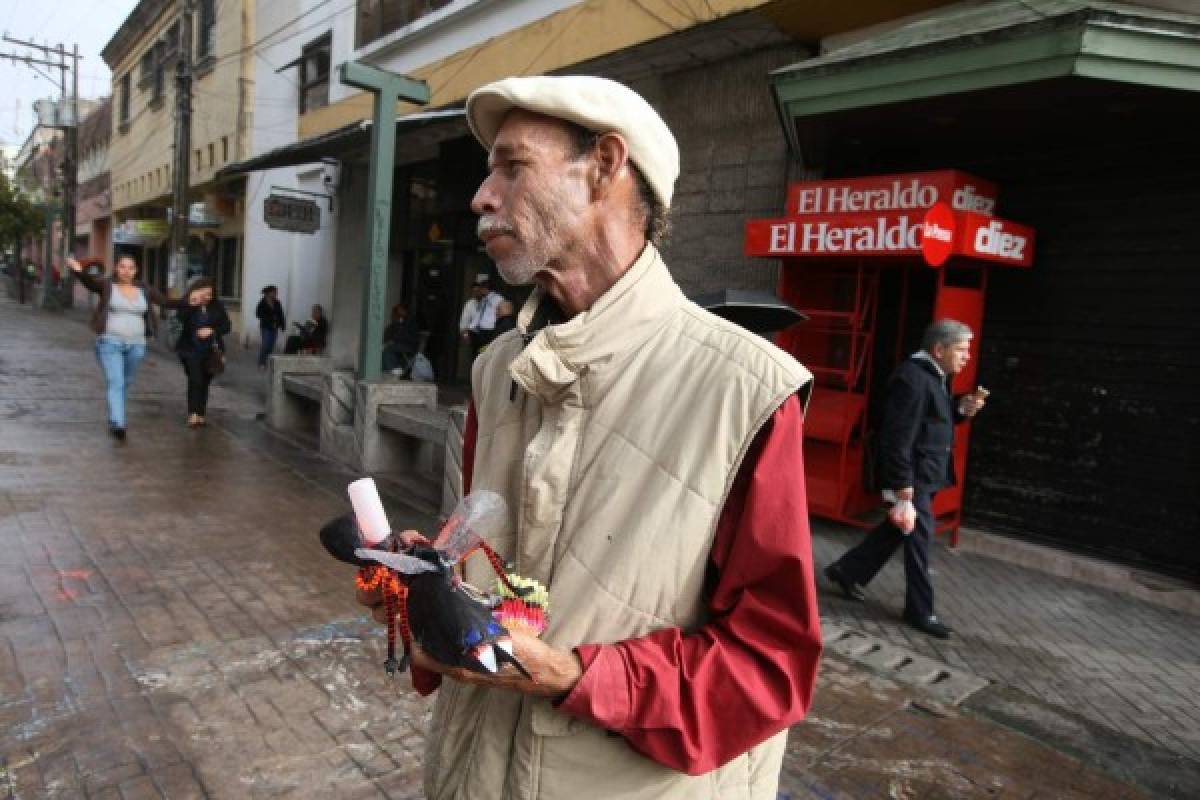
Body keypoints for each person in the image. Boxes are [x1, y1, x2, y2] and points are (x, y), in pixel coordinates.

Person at [356, 75, 821, 800]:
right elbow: (494, 577)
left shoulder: (747, 390)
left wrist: (572, 674)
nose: (482, 196)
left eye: (512, 166)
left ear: (604, 165)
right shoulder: (495, 370)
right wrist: (428, 585)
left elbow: (768, 669)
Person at [824, 319, 987, 639]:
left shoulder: (937, 376)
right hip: (914, 480)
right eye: (961, 350)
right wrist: (903, 490)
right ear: (939, 349)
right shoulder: (913, 379)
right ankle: (920, 610)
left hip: (925, 476)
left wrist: (962, 410)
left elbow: (934, 419)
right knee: (919, 545)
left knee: (897, 530)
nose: (967, 356)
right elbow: (897, 438)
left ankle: (847, 571)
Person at [67, 254, 179, 441]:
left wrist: (192, 300)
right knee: (116, 381)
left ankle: (114, 416)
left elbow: (166, 302)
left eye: (131, 268)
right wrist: (78, 270)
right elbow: (90, 283)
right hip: (110, 342)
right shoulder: (107, 286)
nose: (126, 271)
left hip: (136, 344)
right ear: (117, 269)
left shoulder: (144, 289)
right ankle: (119, 423)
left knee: (125, 382)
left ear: (136, 271)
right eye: (122, 267)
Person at [174, 278, 231, 428]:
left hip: (211, 351)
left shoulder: (217, 307)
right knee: (195, 380)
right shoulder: (188, 304)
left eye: (209, 294)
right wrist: (192, 304)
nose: (206, 298)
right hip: (190, 350)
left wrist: (212, 330)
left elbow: (226, 326)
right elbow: (179, 319)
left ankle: (200, 414)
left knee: (205, 382)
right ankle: (193, 413)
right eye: (203, 294)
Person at [458, 276, 503, 358]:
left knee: (485, 358)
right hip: (477, 336)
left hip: (489, 335)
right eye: (474, 291)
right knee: (477, 358)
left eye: (480, 289)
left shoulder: (497, 300)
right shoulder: (472, 303)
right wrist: (466, 334)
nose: (477, 292)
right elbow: (467, 322)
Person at [382, 302, 420, 375]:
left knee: (388, 349)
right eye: (396, 311)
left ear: (405, 311)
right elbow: (389, 334)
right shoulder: (395, 323)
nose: (399, 313)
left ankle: (393, 369)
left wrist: (394, 340)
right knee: (384, 350)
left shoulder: (411, 322)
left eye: (400, 310)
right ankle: (386, 370)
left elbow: (410, 337)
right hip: (398, 346)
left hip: (408, 346)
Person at [255, 285, 286, 370]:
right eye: (274, 292)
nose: (276, 294)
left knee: (271, 346)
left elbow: (281, 314)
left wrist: (282, 325)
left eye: (276, 292)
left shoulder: (277, 302)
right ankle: (261, 363)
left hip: (275, 327)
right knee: (265, 345)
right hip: (266, 327)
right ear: (269, 293)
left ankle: (266, 360)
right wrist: (268, 319)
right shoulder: (262, 303)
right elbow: (258, 313)